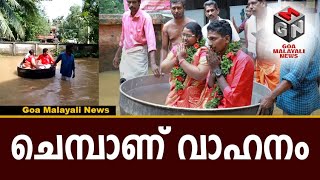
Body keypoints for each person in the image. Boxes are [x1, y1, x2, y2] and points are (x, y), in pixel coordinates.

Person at [200, 20, 254, 108]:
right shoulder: (216, 57)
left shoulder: (243, 61)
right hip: (215, 109)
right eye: (208, 39)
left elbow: (233, 99)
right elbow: (209, 88)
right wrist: (212, 69)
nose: (209, 44)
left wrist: (217, 70)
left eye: (213, 39)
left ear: (227, 39)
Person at [160, 22, 209, 108]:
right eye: (183, 35)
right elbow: (163, 68)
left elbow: (200, 75)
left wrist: (182, 60)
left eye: (189, 36)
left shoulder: (203, 52)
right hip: (176, 92)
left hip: (196, 96)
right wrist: (177, 58)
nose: (185, 38)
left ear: (198, 37)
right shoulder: (178, 49)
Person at [113, 0, 160, 84]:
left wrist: (153, 63)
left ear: (139, 2)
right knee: (124, 81)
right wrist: (117, 55)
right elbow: (123, 37)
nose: (131, 5)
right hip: (126, 55)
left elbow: (151, 42)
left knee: (139, 83)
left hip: (139, 56)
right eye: (129, 2)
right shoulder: (125, 16)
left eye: (134, 2)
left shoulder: (146, 18)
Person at [246, 0, 280, 91]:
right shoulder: (249, 23)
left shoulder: (278, 19)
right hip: (258, 67)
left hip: (277, 67)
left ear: (263, 3)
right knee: (261, 98)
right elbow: (250, 50)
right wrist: (251, 71)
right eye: (249, 4)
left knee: (277, 99)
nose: (250, 7)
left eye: (253, 3)